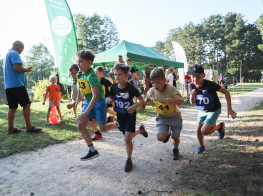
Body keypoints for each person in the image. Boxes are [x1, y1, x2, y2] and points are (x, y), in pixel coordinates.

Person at [67, 49, 119, 161]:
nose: (78, 64)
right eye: (77, 61)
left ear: (89, 63)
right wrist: (75, 102)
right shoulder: (80, 73)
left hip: (99, 102)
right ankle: (92, 150)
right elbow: (82, 88)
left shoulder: (92, 76)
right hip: (87, 101)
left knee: (103, 128)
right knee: (81, 125)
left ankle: (118, 123)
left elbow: (95, 96)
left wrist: (85, 112)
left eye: (80, 61)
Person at [106, 63, 148, 172]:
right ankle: (140, 130)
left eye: (119, 75)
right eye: (115, 75)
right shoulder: (113, 87)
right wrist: (109, 100)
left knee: (126, 139)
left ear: (126, 75)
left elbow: (142, 100)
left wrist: (135, 105)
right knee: (128, 138)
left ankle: (129, 160)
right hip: (120, 116)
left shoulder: (131, 88)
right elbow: (111, 98)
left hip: (130, 116)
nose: (117, 77)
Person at [188, 65, 237, 154]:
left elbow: (226, 92)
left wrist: (230, 109)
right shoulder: (191, 85)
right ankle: (202, 146)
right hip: (202, 110)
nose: (195, 79)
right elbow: (192, 102)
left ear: (204, 75)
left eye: (198, 76)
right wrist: (192, 95)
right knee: (199, 130)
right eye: (193, 77)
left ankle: (219, 126)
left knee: (205, 131)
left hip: (214, 109)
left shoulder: (210, 84)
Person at [140, 67, 184, 159]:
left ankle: (175, 149)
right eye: (152, 82)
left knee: (175, 137)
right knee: (160, 137)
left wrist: (174, 100)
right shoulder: (152, 90)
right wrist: (144, 103)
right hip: (162, 117)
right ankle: (167, 133)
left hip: (174, 116)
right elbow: (148, 96)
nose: (155, 85)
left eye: (158, 82)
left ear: (164, 80)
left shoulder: (171, 89)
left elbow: (181, 101)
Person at [3, 40, 42, 134]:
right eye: (21, 48)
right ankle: (29, 126)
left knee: (12, 107)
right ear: (16, 45)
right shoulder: (14, 53)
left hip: (9, 85)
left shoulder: (7, 54)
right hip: (16, 84)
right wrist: (26, 70)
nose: (22, 50)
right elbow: (17, 67)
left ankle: (10, 128)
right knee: (26, 104)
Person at [89, 66, 117, 141]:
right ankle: (110, 119)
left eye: (96, 73)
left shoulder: (105, 81)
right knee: (106, 112)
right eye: (94, 72)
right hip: (97, 101)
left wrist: (111, 96)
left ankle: (117, 118)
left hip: (105, 100)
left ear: (101, 73)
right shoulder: (93, 81)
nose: (95, 74)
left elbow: (113, 86)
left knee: (107, 111)